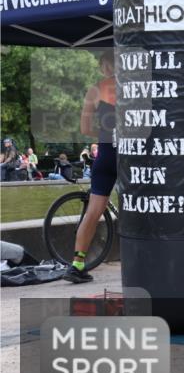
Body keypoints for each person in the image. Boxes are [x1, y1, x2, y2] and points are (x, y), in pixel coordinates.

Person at [64, 50, 117, 283]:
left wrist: (106, 134)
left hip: (105, 154)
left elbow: (85, 130)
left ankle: (77, 264)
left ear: (103, 66)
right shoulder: (135, 86)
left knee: (93, 212)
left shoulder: (94, 90)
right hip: (131, 155)